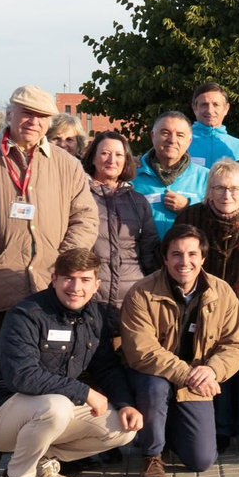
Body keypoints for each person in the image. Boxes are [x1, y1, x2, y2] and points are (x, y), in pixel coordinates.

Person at [0, 85, 97, 477]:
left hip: (46, 289)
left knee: (48, 375)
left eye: (41, 117)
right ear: (9, 113)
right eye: (25, 113)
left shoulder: (65, 164)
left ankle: (45, 460)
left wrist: (65, 266)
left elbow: (85, 217)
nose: (32, 122)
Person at [0, 248, 141, 477]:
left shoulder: (97, 317)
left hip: (44, 412)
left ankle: (41, 460)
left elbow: (107, 367)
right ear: (54, 279)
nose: (75, 287)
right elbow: (22, 377)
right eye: (68, 278)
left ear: (97, 284)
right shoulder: (27, 314)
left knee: (122, 429)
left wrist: (126, 403)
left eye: (84, 280)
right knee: (57, 406)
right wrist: (84, 392)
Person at [119, 224, 239, 477]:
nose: (184, 262)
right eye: (176, 254)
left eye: (192, 254)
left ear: (203, 258)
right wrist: (188, 374)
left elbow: (237, 346)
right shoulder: (141, 292)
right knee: (156, 388)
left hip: (197, 379)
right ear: (165, 258)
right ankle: (152, 455)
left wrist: (212, 370)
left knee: (201, 460)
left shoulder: (222, 292)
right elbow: (141, 350)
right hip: (153, 375)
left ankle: (167, 430)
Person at [170, 159, 239, 456]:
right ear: (209, 191)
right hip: (202, 309)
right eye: (219, 187)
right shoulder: (191, 217)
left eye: (235, 188)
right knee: (209, 362)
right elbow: (178, 262)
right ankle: (219, 428)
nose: (227, 194)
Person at [81, 130, 159, 330]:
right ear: (93, 157)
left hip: (131, 298)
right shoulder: (78, 195)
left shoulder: (139, 202)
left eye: (118, 155)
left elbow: (149, 252)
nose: (111, 160)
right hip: (88, 297)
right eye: (105, 153)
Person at [133, 111, 211, 237]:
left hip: (186, 256)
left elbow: (217, 221)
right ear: (153, 135)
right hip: (142, 255)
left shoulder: (206, 178)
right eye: (165, 133)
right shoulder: (131, 174)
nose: (172, 140)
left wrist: (188, 207)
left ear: (189, 141)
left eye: (180, 135)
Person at [187, 82, 239, 168]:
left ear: (226, 109)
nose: (210, 110)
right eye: (204, 105)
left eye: (216, 105)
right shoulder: (180, 143)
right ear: (194, 109)